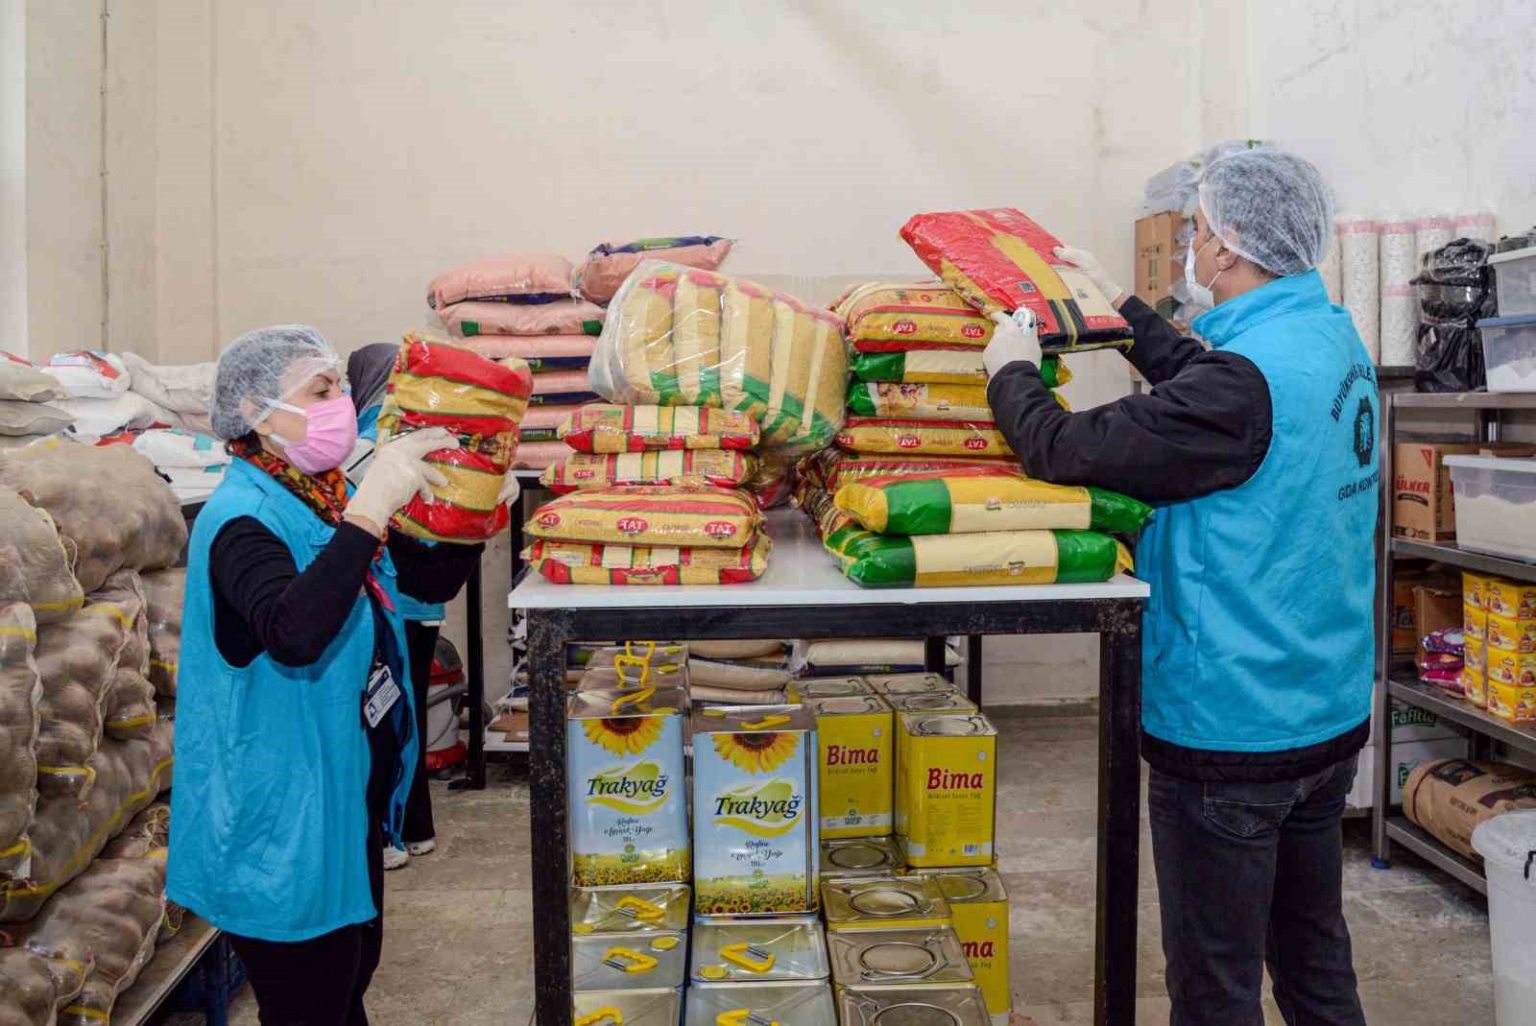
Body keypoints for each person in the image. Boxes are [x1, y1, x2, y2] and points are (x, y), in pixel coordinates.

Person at [983, 149, 1375, 1026]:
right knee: (1314, 958)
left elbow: (1064, 448)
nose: (1192, 246)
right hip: (1323, 711)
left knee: (1213, 986)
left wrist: (1010, 373)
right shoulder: (1327, 337)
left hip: (1232, 728)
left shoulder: (1241, 385)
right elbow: (1210, 389)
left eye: (1198, 230)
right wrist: (1120, 311)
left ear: (1228, 247)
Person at [166, 326, 517, 1025]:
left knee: (348, 982)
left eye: (343, 388)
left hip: (342, 801)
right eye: (320, 390)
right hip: (280, 822)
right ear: (257, 413)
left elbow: (421, 585)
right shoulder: (240, 520)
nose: (341, 405)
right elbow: (295, 633)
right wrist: (368, 512)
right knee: (312, 1003)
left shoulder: (321, 497)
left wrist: (471, 512)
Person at [344, 342, 503, 870]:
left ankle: (389, 835)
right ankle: (416, 828)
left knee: (382, 716)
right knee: (405, 708)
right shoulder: (440, 430)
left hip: (389, 602)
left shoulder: (374, 434)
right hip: (427, 600)